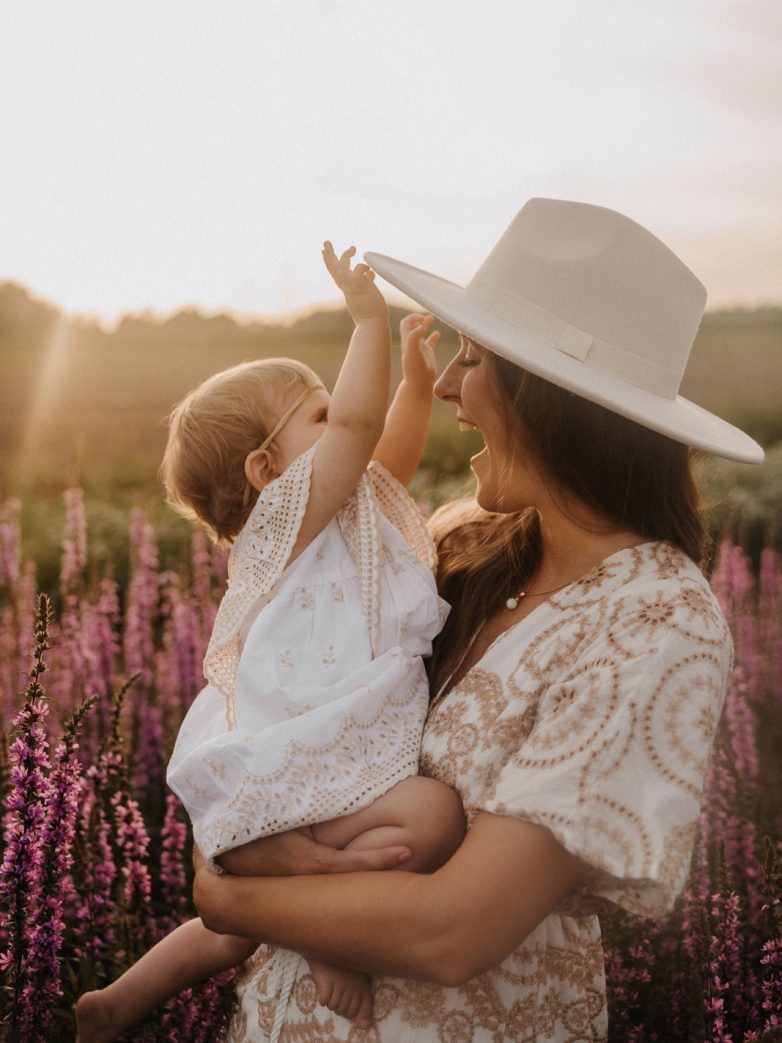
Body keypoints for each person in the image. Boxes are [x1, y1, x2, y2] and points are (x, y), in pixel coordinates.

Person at [189, 199, 765, 1042]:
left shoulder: (655, 620)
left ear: (552, 396)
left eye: (472, 358)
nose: (448, 383)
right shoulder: (459, 542)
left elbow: (455, 932)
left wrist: (225, 889)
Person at [74, 243, 463, 1043]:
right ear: (265, 471)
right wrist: (367, 321)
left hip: (311, 771)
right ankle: (323, 920)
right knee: (433, 815)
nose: (346, 418)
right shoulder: (288, 524)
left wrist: (417, 385)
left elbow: (387, 448)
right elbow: (363, 424)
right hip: (310, 758)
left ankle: (121, 996)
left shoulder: (338, 509)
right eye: (319, 414)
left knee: (234, 922)